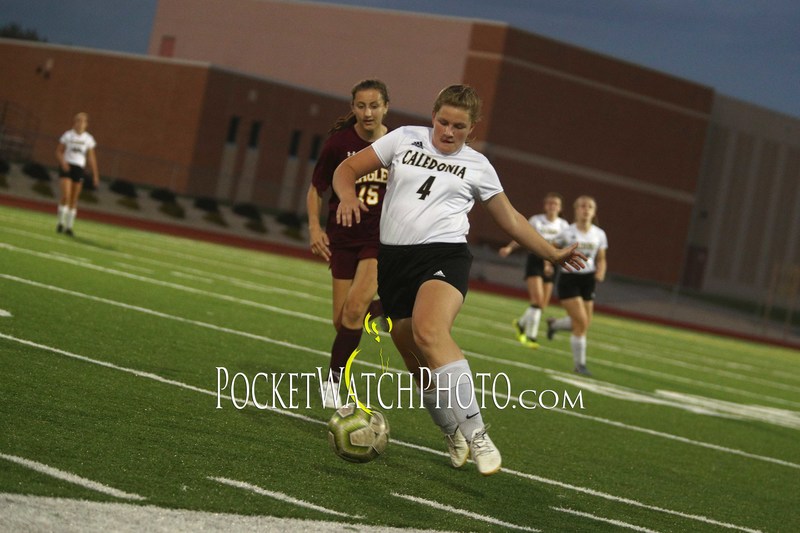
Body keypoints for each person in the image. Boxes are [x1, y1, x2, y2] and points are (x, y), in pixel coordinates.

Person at [333, 84, 586, 476]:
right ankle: (451, 430)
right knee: (413, 355)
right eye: (443, 122)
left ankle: (478, 432)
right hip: (395, 261)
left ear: (473, 128)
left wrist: (551, 253)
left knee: (430, 331)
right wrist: (348, 197)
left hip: (444, 254)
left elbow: (512, 219)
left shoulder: (478, 165)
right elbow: (346, 170)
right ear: (433, 115)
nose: (448, 132)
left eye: (459, 127)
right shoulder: (404, 138)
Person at [306, 79, 390, 408]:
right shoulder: (338, 144)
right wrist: (314, 228)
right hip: (342, 237)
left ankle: (332, 382)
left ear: (386, 107)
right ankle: (390, 307)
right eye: (361, 106)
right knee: (343, 321)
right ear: (352, 107)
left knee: (355, 310)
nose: (367, 113)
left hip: (378, 239)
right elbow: (316, 189)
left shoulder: (396, 145)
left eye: (374, 106)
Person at [546, 195, 608, 376]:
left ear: (594, 211)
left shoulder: (599, 234)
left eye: (589, 206)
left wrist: (601, 271)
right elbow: (551, 249)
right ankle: (579, 365)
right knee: (580, 322)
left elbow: (602, 258)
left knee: (584, 324)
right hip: (570, 279)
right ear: (576, 210)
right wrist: (548, 264)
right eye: (582, 206)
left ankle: (555, 325)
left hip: (588, 280)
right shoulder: (567, 232)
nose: (586, 209)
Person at [499, 192, 568, 348]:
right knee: (536, 300)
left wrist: (551, 263)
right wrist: (509, 249)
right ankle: (531, 337)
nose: (552, 206)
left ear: (560, 207)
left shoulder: (563, 225)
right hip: (535, 260)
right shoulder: (537, 220)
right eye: (550, 203)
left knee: (542, 305)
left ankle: (521, 324)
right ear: (545, 206)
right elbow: (522, 235)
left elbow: (561, 246)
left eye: (555, 204)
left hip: (552, 261)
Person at [55, 112, 99, 236]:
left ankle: (69, 227)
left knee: (74, 199)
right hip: (67, 166)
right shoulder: (68, 135)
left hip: (79, 168)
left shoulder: (88, 139)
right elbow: (58, 151)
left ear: (86, 124)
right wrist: (63, 162)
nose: (80, 124)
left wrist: (95, 175)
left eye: (83, 121)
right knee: (66, 195)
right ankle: (60, 223)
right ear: (74, 122)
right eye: (78, 121)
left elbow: (91, 158)